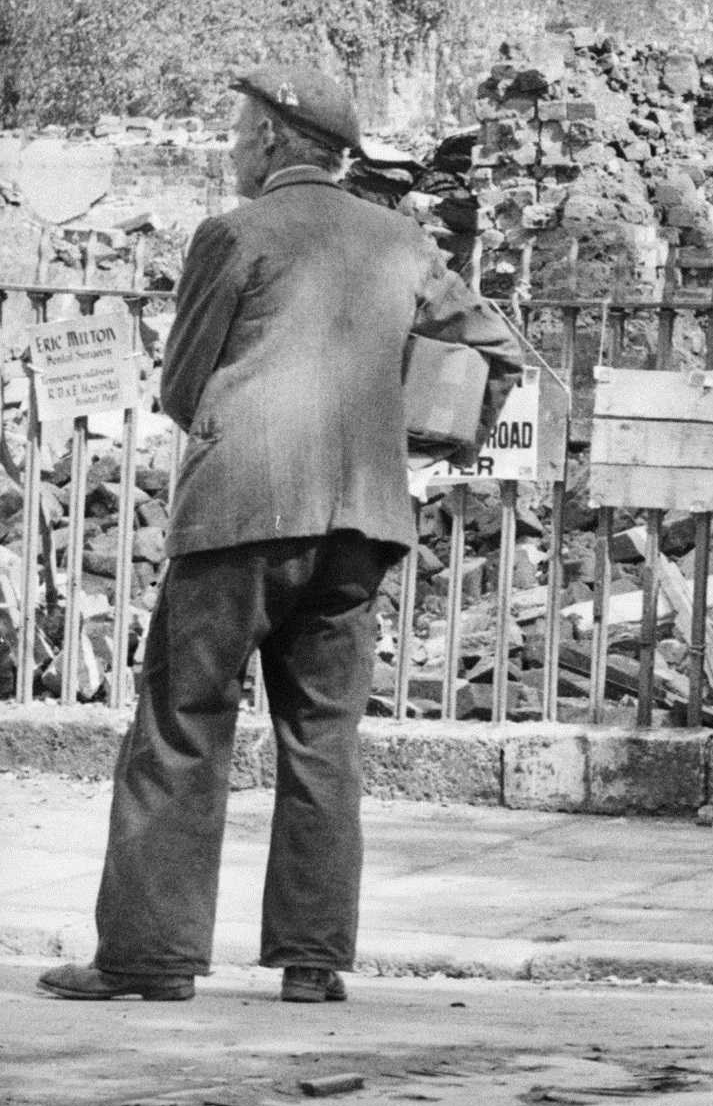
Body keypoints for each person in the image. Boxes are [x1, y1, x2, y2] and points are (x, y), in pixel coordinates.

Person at [40, 66, 525, 1009]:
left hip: (242, 517)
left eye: (235, 130)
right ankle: (312, 962)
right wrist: (427, 430)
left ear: (270, 140)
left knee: (182, 723)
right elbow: (498, 351)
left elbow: (183, 387)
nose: (229, 146)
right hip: (362, 525)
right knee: (323, 738)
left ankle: (151, 957)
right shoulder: (401, 240)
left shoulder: (235, 234)